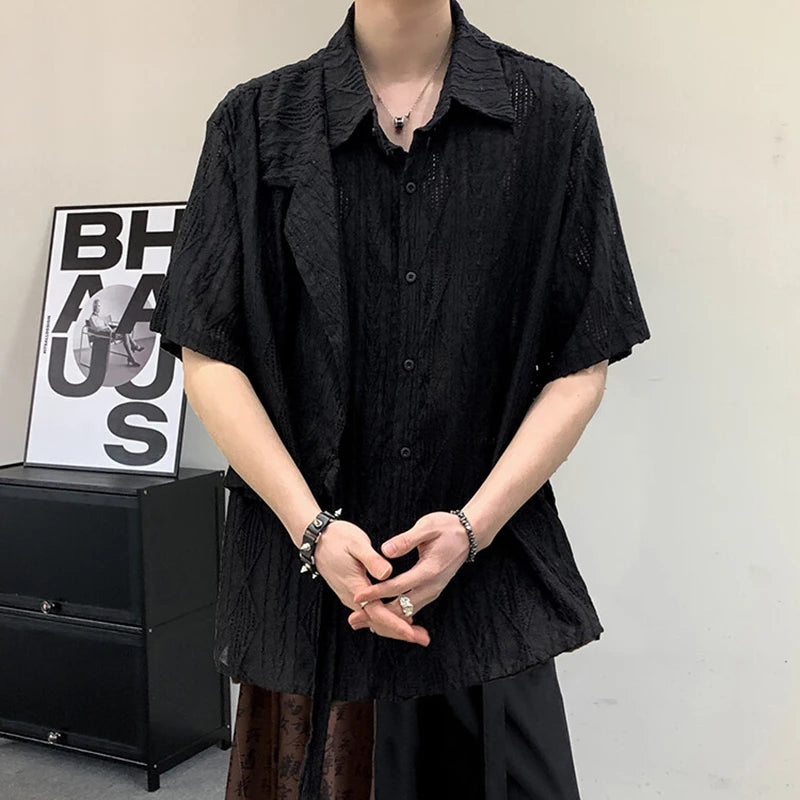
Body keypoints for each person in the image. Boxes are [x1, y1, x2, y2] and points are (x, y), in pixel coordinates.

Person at [148, 1, 652, 798]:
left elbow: (582, 357)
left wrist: (471, 529)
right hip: (309, 590)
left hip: (485, 585)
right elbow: (208, 353)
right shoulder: (256, 123)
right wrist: (312, 530)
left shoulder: (548, 115)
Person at [87, 297, 144, 366]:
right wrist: (108, 329)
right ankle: (134, 349)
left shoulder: (98, 317)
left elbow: (105, 325)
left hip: (109, 332)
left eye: (99, 306)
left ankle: (132, 357)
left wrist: (111, 328)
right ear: (94, 307)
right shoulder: (92, 318)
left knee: (126, 332)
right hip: (105, 335)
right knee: (126, 333)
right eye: (97, 306)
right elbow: (97, 329)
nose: (98, 307)